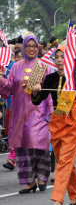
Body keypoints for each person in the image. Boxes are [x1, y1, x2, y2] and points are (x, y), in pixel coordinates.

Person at [31, 46, 76, 205]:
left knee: (63, 163)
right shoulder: (50, 78)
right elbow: (38, 100)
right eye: (56, 57)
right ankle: (75, 195)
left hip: (74, 124)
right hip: (57, 124)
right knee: (67, 163)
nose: (59, 60)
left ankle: (57, 199)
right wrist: (36, 91)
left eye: (62, 56)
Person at [0, 34, 52, 193]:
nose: (31, 49)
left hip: (39, 112)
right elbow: (8, 89)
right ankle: (29, 182)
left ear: (38, 48)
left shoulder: (44, 67)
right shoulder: (15, 67)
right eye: (28, 46)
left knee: (38, 144)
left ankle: (42, 177)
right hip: (19, 112)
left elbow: (49, 91)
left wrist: (51, 112)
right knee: (23, 146)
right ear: (23, 48)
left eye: (34, 46)